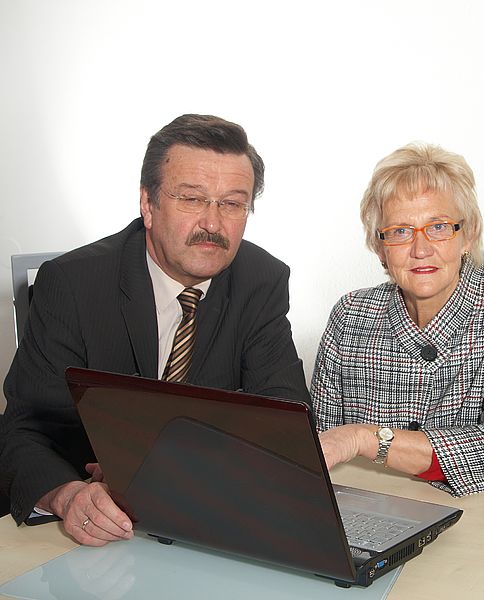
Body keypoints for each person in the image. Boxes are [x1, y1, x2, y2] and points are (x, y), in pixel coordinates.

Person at [0, 114, 309, 546]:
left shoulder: (261, 280)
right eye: (192, 199)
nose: (213, 225)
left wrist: (159, 463)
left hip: (203, 521)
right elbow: (24, 430)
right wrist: (68, 497)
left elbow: (285, 421)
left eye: (232, 203)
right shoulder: (72, 283)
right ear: (148, 204)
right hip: (92, 533)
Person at [311, 142, 484, 496]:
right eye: (400, 232)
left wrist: (365, 439)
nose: (420, 249)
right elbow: (324, 450)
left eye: (438, 227)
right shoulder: (350, 314)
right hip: (364, 513)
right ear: (380, 248)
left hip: (474, 520)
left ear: (467, 234)